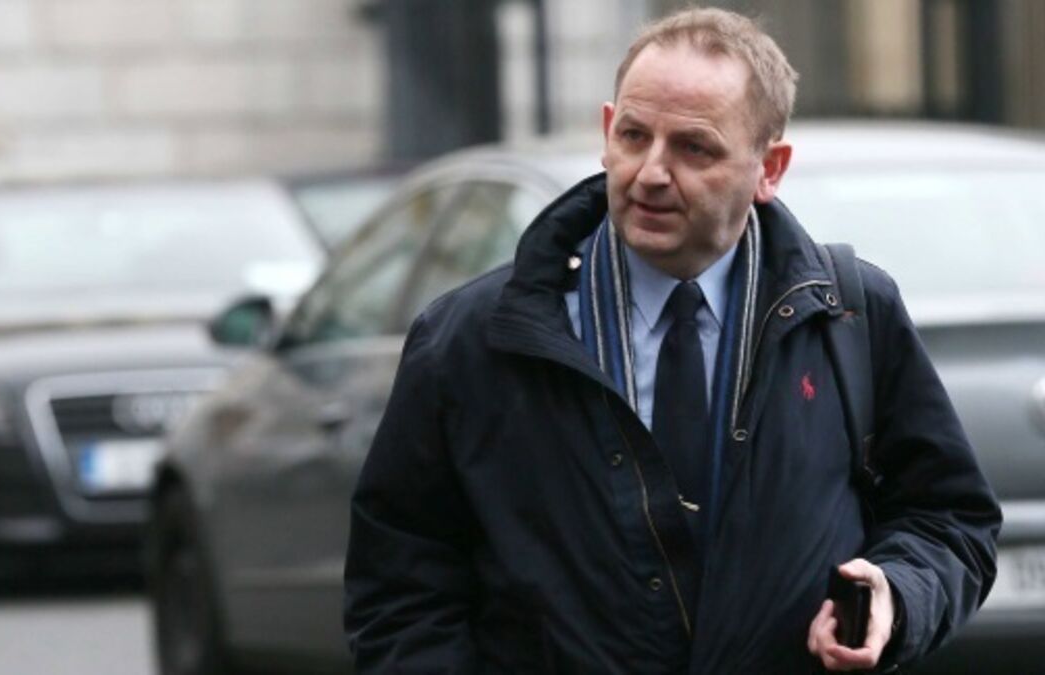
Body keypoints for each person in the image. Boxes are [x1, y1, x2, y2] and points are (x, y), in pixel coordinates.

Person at [343, 7, 1001, 673]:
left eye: (694, 148)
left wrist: (898, 595)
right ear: (607, 132)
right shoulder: (475, 338)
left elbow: (949, 519)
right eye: (634, 136)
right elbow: (401, 586)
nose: (651, 172)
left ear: (769, 169)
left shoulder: (850, 316)